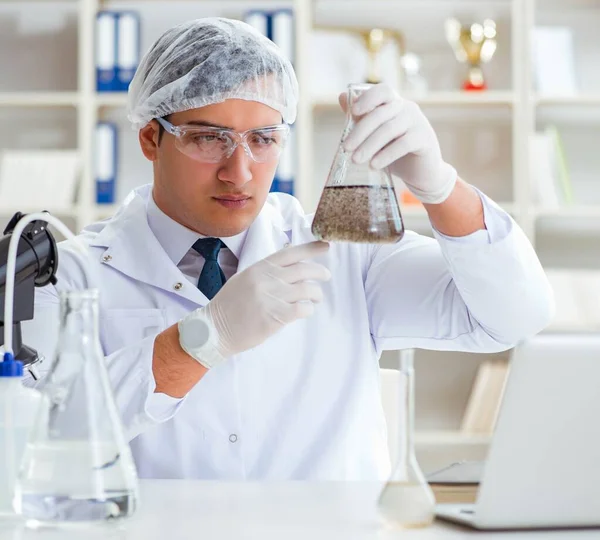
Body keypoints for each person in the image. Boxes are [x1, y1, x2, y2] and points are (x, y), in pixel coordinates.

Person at [23, 18, 554, 481]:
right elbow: (35, 439)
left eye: (263, 138)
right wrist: (201, 340)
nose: (241, 170)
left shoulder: (344, 250)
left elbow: (513, 317)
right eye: (209, 138)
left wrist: (442, 188)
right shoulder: (71, 272)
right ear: (149, 139)